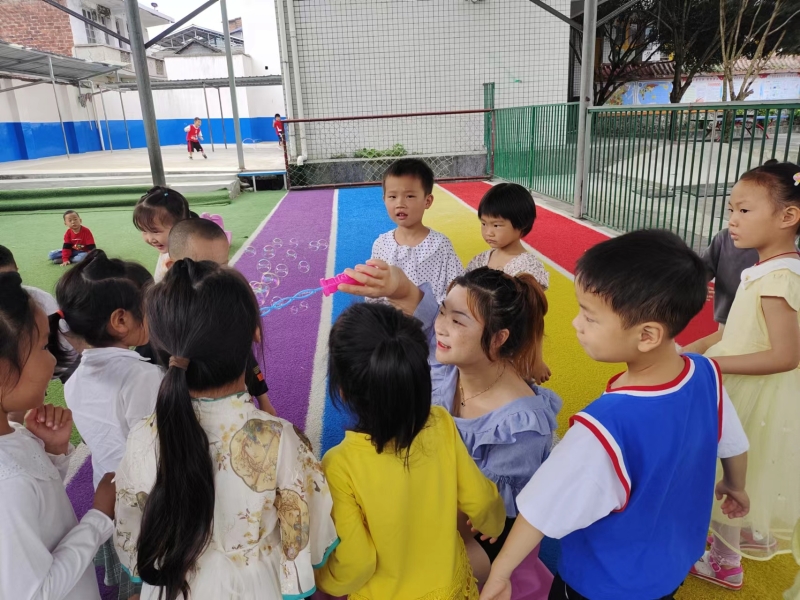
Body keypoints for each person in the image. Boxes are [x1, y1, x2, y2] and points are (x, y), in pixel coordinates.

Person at [477, 229, 750, 600]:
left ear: (647, 335)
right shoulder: (706, 374)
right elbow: (732, 443)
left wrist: (500, 572)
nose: (576, 323)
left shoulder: (604, 427)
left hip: (601, 583)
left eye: (590, 317)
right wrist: (734, 485)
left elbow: (542, 507)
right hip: (669, 566)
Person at [113, 259, 338, 600]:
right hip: (256, 586)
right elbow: (307, 526)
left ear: (163, 347)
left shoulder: (144, 437)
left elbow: (132, 523)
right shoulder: (280, 438)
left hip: (174, 582)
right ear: (253, 335)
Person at [337, 262, 560, 589]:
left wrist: (393, 506)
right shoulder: (449, 361)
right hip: (431, 499)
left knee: (392, 571)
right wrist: (395, 285)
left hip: (480, 535)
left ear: (498, 338)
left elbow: (485, 519)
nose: (440, 327)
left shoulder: (520, 427)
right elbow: (417, 306)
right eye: (443, 311)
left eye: (457, 321)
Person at [314, 301, 506, 599]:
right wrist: (493, 524)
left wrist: (322, 578)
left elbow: (357, 562)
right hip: (452, 590)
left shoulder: (339, 465)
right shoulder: (440, 422)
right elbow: (482, 500)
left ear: (342, 390)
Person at [684, 160, 800, 588]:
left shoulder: (779, 278)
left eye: (744, 210)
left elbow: (785, 355)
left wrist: (712, 364)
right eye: (731, 209)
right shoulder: (768, 268)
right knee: (746, 467)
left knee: (728, 468)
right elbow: (732, 331)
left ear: (788, 216)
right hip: (744, 383)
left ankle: (725, 561)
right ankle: (742, 537)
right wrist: (693, 350)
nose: (732, 219)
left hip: (752, 392)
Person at [0, 271, 117, 600]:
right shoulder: (6, 485)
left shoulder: (14, 433)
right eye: (42, 346)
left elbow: (38, 504)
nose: (52, 358)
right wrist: (99, 517)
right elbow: (36, 593)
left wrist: (53, 452)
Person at [55, 250, 163, 600]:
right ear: (120, 320)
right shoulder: (144, 377)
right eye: (149, 307)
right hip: (149, 503)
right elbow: (156, 449)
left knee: (134, 577)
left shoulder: (74, 380)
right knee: (155, 580)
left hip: (109, 494)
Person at [165, 218, 276, 416]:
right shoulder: (165, 314)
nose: (216, 276)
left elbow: (248, 358)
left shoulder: (228, 304)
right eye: (203, 267)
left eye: (222, 266)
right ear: (173, 266)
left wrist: (264, 401)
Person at [466, 183, 551, 383]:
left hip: (512, 349)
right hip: (480, 343)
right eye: (484, 224)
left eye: (496, 225)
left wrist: (536, 360)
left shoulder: (527, 267)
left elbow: (534, 319)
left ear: (521, 225)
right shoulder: (480, 260)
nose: (488, 232)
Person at [371, 158, 464, 303]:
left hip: (431, 316)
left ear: (428, 201)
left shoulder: (440, 245)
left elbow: (457, 288)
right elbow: (374, 291)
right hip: (389, 316)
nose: (400, 204)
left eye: (410, 196)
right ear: (384, 199)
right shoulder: (381, 244)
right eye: (392, 196)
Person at [0, 245, 77, 387]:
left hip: (62, 362)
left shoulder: (41, 301)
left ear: (17, 270)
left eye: (9, 279)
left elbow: (67, 344)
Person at [133, 186, 192, 283]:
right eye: (144, 230)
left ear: (181, 225)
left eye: (155, 231)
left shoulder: (190, 259)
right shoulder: (168, 249)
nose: (150, 239)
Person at [701, 228, 759, 327]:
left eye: (744, 212)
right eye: (731, 212)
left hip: (760, 318)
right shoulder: (725, 237)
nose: (733, 221)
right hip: (727, 313)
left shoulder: (779, 247)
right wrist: (699, 283)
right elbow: (704, 267)